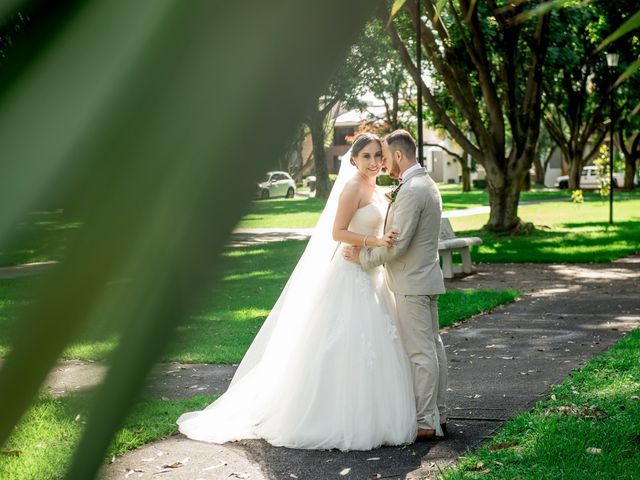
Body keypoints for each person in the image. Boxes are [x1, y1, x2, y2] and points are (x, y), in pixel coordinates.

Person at [177, 133, 417, 451]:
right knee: (341, 342)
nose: (374, 162)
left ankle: (381, 414)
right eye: (367, 157)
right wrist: (375, 241)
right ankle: (330, 417)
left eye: (377, 156)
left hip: (370, 274)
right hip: (349, 274)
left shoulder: (376, 189)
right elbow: (337, 232)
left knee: (378, 343)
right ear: (354, 160)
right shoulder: (352, 188)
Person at [344, 129, 448, 441]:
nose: (383, 163)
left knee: (421, 353)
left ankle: (426, 421)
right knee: (432, 347)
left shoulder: (413, 189)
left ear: (399, 156)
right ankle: (437, 412)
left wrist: (363, 257)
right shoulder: (425, 183)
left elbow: (397, 246)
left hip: (411, 282)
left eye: (385, 157)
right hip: (424, 276)